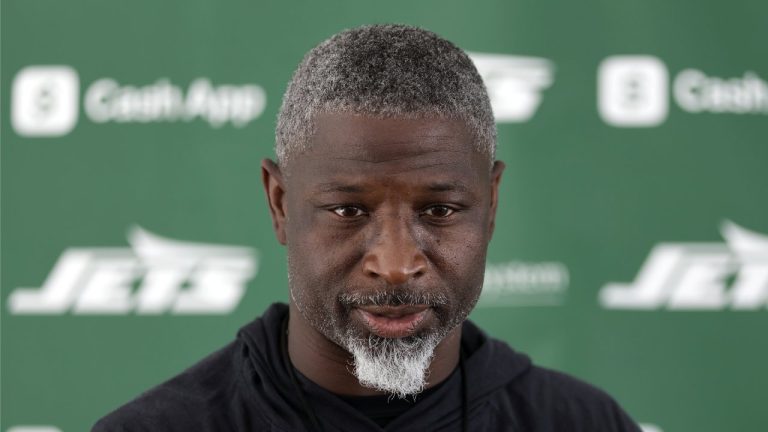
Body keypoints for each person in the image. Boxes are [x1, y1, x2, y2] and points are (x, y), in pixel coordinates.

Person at [94, 24, 641, 431]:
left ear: (491, 204)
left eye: (440, 211)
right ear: (280, 203)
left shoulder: (583, 422)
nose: (396, 265)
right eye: (348, 211)